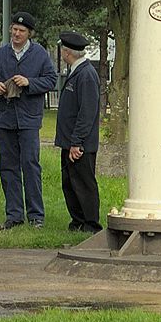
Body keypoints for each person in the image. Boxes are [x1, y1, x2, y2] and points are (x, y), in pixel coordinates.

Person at [0, 10, 57, 229]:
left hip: (29, 121)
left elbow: (51, 80)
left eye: (21, 31)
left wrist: (29, 83)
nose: (16, 33)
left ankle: (36, 216)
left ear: (29, 34)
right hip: (5, 120)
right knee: (8, 167)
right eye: (14, 29)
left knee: (31, 166)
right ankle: (14, 216)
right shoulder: (2, 53)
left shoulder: (40, 54)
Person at [54, 30, 103, 234]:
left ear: (67, 53)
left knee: (83, 183)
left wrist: (77, 142)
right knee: (70, 183)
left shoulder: (86, 75)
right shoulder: (78, 72)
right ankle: (78, 221)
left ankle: (91, 224)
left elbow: (87, 112)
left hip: (79, 144)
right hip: (69, 141)